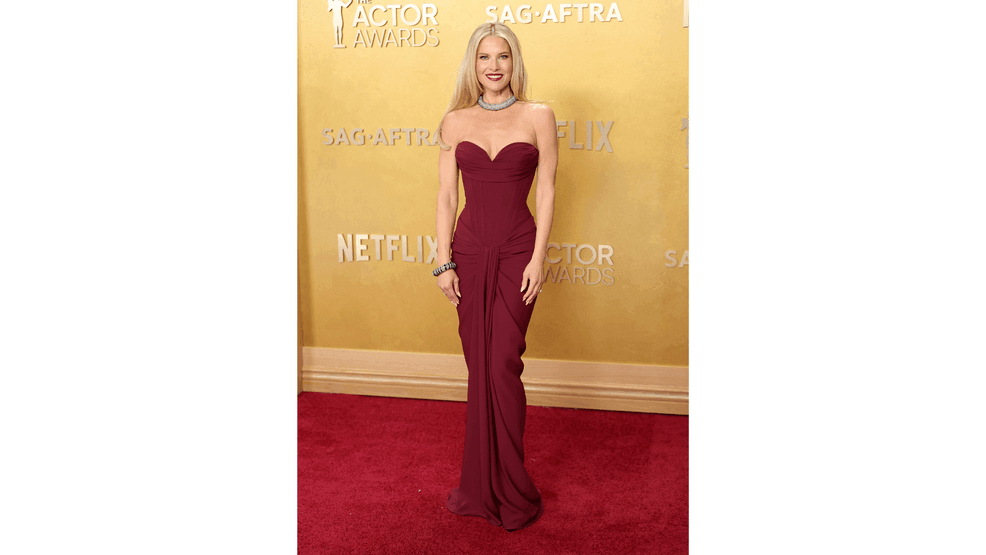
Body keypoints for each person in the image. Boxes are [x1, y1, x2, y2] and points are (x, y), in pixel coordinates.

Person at [433, 22, 557, 532]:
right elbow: (447, 196)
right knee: (478, 365)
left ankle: (512, 485)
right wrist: (443, 260)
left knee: (503, 362)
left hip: (517, 251)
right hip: (468, 252)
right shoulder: (454, 121)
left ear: (514, 62)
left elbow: (547, 190)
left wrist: (538, 258)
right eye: (484, 57)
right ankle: (480, 486)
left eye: (502, 56)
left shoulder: (538, 115)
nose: (493, 66)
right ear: (473, 63)